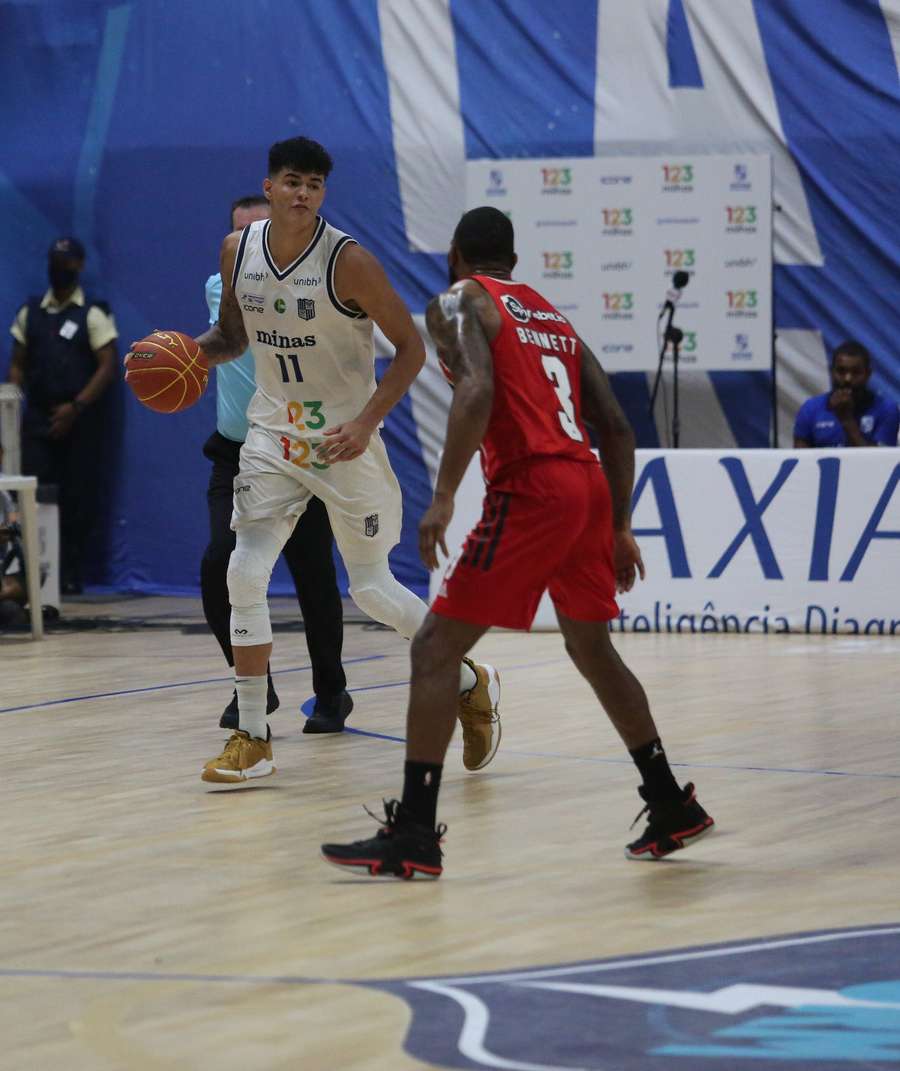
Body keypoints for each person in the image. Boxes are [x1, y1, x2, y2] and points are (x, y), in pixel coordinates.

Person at [321, 206, 714, 879]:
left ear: (454, 253)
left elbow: (475, 388)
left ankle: (414, 830)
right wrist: (618, 524)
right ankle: (670, 801)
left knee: (435, 647)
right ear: (515, 260)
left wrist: (443, 495)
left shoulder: (457, 300)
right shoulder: (551, 317)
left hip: (534, 487)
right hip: (587, 482)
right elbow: (616, 426)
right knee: (591, 647)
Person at [192, 136, 499, 785]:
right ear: (269, 186)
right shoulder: (235, 252)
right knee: (243, 573)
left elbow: (411, 348)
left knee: (371, 590)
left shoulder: (348, 261)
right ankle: (252, 735)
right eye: (292, 181)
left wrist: (366, 421)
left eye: (314, 184)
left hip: (343, 440)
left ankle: (471, 677)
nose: (302, 193)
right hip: (273, 435)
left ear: (322, 194)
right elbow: (231, 337)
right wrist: (184, 354)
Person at [202, 194, 352, 733]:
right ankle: (253, 688)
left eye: (257, 236)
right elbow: (223, 337)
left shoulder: (308, 291)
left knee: (314, 576)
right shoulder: (222, 285)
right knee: (221, 563)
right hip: (236, 449)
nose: (249, 249)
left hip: (294, 446)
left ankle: (332, 691)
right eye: (238, 238)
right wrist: (171, 356)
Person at [8, 237, 117, 594]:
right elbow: (17, 363)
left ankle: (69, 571)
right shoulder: (31, 312)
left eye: (67, 262)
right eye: (56, 262)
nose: (60, 268)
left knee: (77, 498)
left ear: (81, 265)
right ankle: (33, 572)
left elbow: (107, 365)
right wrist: (17, 401)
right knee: (33, 496)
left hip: (78, 418)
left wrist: (77, 407)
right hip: (39, 418)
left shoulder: (92, 313)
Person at [794, 341, 899, 448]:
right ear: (831, 371)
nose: (847, 379)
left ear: (868, 374)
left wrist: (847, 421)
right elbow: (801, 460)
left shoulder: (886, 409)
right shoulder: (811, 409)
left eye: (856, 372)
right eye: (841, 371)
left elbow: (881, 462)